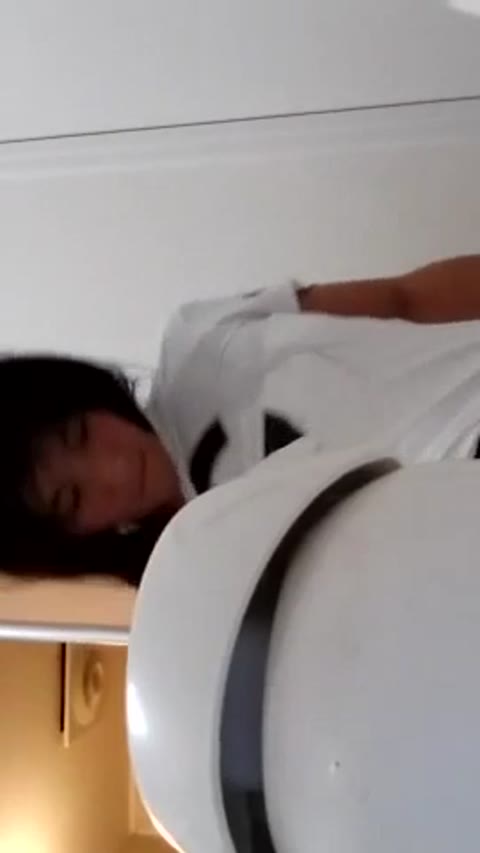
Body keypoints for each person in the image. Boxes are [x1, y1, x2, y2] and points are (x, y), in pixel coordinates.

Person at [4, 253, 480, 586]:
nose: (116, 468)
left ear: (82, 394)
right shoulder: (207, 579)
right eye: (73, 497)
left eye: (80, 435)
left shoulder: (201, 339)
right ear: (74, 539)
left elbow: (405, 300)